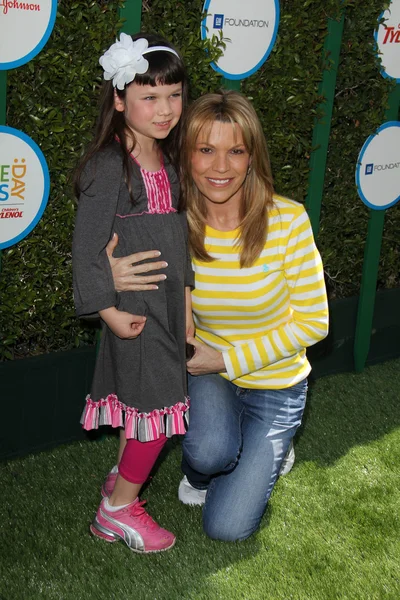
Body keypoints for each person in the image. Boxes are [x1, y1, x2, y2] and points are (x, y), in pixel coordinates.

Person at [108, 90, 329, 542]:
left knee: (227, 529)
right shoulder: (174, 222)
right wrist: (110, 273)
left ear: (252, 157)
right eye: (206, 150)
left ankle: (270, 445)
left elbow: (313, 322)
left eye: (235, 151)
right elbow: (122, 264)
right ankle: (204, 466)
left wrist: (226, 360)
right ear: (186, 154)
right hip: (209, 376)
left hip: (276, 385)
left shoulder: (288, 220)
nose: (221, 167)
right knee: (210, 452)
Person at [72, 32, 194, 553]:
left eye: (174, 95)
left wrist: (186, 307)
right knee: (156, 417)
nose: (165, 109)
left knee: (142, 411)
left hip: (167, 312)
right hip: (137, 316)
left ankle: (121, 484)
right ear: (119, 99)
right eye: (149, 96)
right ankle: (117, 510)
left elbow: (178, 248)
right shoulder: (108, 166)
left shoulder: (169, 162)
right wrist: (107, 308)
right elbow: (86, 249)